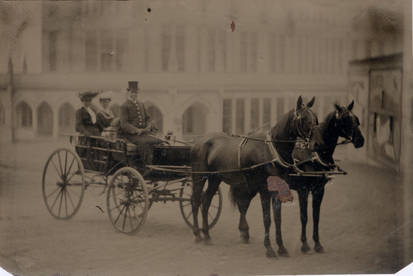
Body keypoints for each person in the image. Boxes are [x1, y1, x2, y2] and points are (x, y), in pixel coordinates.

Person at [119, 81, 164, 165]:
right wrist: (136, 130)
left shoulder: (141, 104)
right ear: (128, 92)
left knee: (159, 141)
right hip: (131, 135)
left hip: (144, 134)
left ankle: (158, 164)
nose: (134, 94)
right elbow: (124, 124)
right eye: (132, 92)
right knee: (144, 143)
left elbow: (148, 118)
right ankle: (147, 166)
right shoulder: (124, 106)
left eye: (136, 92)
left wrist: (150, 124)